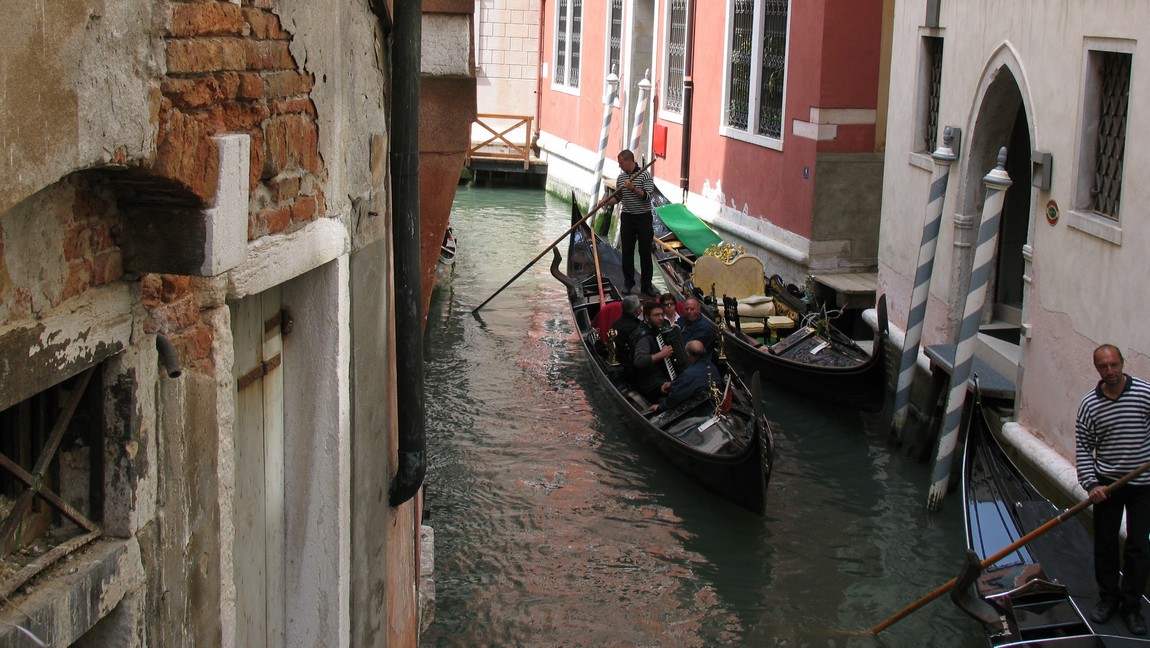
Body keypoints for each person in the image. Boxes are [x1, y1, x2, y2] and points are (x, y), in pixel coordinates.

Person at [1076, 344, 1150, 636]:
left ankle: (1131, 607)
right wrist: (1092, 484)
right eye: (1104, 367)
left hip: (1143, 485)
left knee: (1139, 546)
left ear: (1122, 364)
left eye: (1114, 366)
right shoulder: (1089, 405)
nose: (1110, 372)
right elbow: (1083, 448)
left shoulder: (1145, 394)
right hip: (1107, 484)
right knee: (1105, 544)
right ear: (1097, 369)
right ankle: (1108, 599)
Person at [605, 149, 657, 296]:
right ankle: (628, 283)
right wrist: (607, 203)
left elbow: (647, 197)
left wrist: (633, 188)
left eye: (621, 163)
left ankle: (646, 285)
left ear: (629, 161)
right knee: (627, 252)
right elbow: (618, 198)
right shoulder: (621, 178)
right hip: (627, 217)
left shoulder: (645, 175)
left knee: (644, 252)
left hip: (643, 218)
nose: (620, 166)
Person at [649, 340, 719, 413]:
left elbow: (676, 396)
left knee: (660, 399)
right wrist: (673, 384)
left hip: (696, 408)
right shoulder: (713, 367)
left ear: (688, 355)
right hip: (709, 403)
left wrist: (659, 407)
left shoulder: (689, 373)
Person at [629, 300, 675, 402]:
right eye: (656, 315)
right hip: (648, 381)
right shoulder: (644, 337)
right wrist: (662, 354)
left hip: (659, 376)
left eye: (662, 315)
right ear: (646, 318)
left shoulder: (657, 330)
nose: (661, 318)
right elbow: (639, 361)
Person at [608, 295, 643, 372]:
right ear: (637, 310)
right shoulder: (636, 327)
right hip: (628, 366)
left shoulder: (616, 323)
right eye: (640, 306)